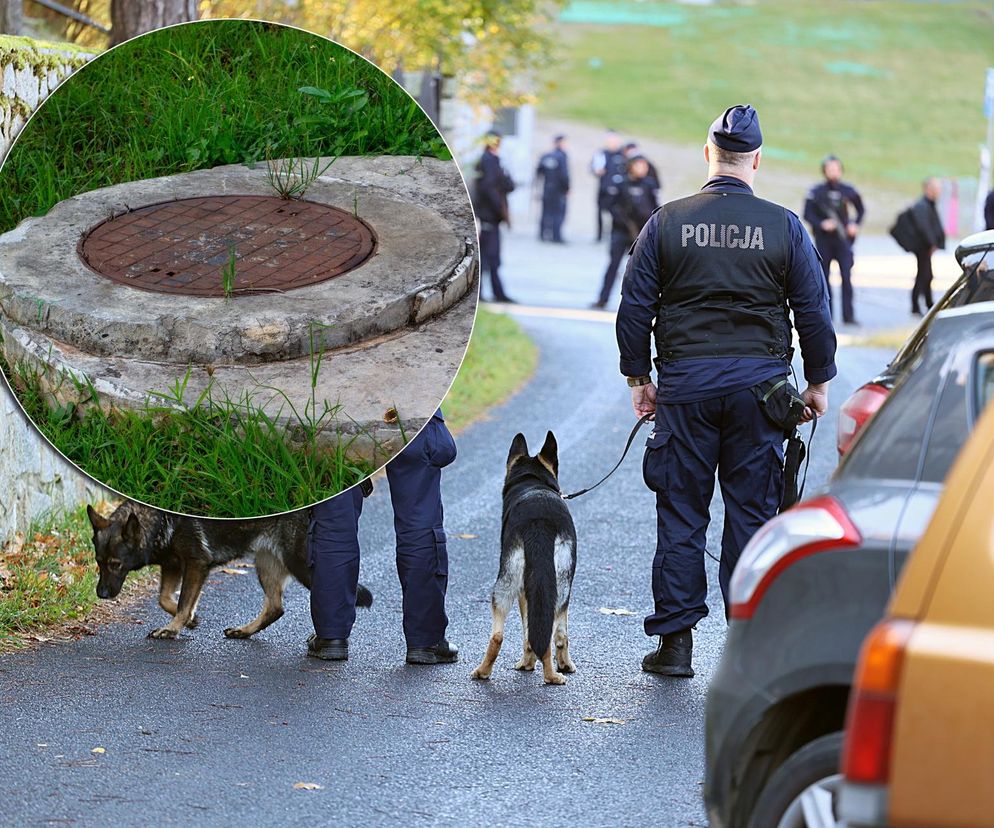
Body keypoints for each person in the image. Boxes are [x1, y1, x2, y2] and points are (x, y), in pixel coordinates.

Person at [616, 104, 837, 678]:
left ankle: (675, 646)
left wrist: (640, 378)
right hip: (759, 394)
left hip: (686, 389)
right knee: (753, 514)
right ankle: (748, 648)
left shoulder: (666, 222)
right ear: (757, 160)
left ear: (707, 154)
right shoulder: (785, 226)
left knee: (682, 513)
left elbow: (635, 307)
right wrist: (817, 382)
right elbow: (814, 311)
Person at [307, 410, 459, 665]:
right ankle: (426, 641)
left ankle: (331, 637)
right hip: (411, 406)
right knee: (419, 520)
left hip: (336, 410)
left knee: (334, 519)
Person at [803, 155, 865, 325]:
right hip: (824, 241)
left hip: (843, 241)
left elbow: (861, 209)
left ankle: (849, 316)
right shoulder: (816, 192)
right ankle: (827, 316)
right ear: (824, 171)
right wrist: (822, 224)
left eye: (836, 168)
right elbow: (807, 214)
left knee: (846, 277)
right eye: (830, 169)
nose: (833, 172)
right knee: (823, 278)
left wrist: (854, 224)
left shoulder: (848, 190)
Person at [592, 155, 658, 310]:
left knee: (642, 270)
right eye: (639, 165)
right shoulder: (620, 183)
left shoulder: (649, 185)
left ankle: (640, 303)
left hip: (641, 233)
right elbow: (610, 206)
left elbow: (655, 208)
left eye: (644, 165)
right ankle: (603, 298)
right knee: (613, 265)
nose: (643, 169)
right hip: (620, 232)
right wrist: (624, 222)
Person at [472, 131, 516, 303]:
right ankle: (486, 293)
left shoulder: (490, 160)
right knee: (489, 256)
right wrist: (499, 208)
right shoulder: (488, 161)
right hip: (488, 217)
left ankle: (495, 292)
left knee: (492, 257)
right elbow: (488, 187)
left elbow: (508, 184)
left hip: (490, 217)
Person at [906, 177, 946, 316]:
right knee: (924, 275)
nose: (939, 192)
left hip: (926, 246)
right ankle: (920, 305)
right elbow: (924, 228)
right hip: (923, 246)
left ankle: (926, 304)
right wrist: (932, 243)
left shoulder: (929, 204)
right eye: (937, 188)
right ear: (929, 189)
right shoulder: (922, 206)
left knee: (925, 275)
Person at [590, 129, 626, 242]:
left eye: (613, 140)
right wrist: (596, 171)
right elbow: (592, 167)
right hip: (604, 188)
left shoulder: (623, 155)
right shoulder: (601, 154)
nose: (611, 142)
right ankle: (600, 235)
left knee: (616, 213)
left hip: (618, 190)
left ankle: (615, 234)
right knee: (600, 212)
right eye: (609, 140)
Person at [535, 134, 570, 243]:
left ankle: (543, 234)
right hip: (558, 190)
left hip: (547, 188)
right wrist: (567, 188)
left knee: (546, 212)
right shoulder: (562, 157)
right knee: (558, 213)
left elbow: (539, 172)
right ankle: (556, 236)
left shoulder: (546, 156)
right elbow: (564, 175)